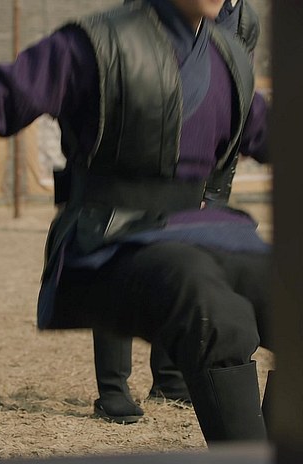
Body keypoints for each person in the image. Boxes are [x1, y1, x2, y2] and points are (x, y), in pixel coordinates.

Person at [0, 0, 270, 444]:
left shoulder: (228, 57)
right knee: (214, 310)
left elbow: (268, 132)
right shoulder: (95, 45)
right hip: (108, 237)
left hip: (198, 229)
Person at [90, 0, 264, 425]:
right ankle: (112, 389)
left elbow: (235, 101)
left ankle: (169, 377)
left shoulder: (244, 20)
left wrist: (214, 187)